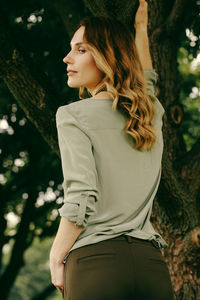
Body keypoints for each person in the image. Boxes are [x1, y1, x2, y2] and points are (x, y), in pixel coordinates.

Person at [49, 0, 174, 299]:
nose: (67, 58)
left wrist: (55, 257)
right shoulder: (151, 112)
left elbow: (82, 196)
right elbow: (148, 80)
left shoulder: (72, 115)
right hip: (152, 268)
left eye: (81, 50)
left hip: (95, 265)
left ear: (108, 57)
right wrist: (140, 29)